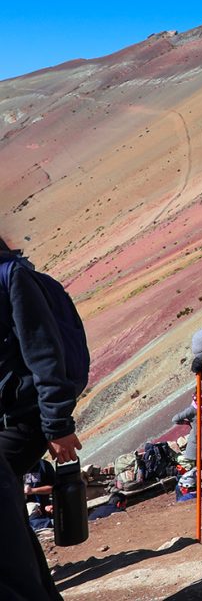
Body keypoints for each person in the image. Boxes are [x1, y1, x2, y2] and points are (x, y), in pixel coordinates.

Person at [1, 236, 82, 600]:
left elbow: (44, 352)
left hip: (24, 418)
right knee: (8, 521)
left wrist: (58, 424)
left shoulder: (11, 277)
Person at [171, 392, 202, 469]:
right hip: (199, 441)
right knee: (200, 463)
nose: (200, 401)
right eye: (197, 400)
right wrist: (187, 422)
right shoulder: (191, 410)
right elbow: (175, 419)